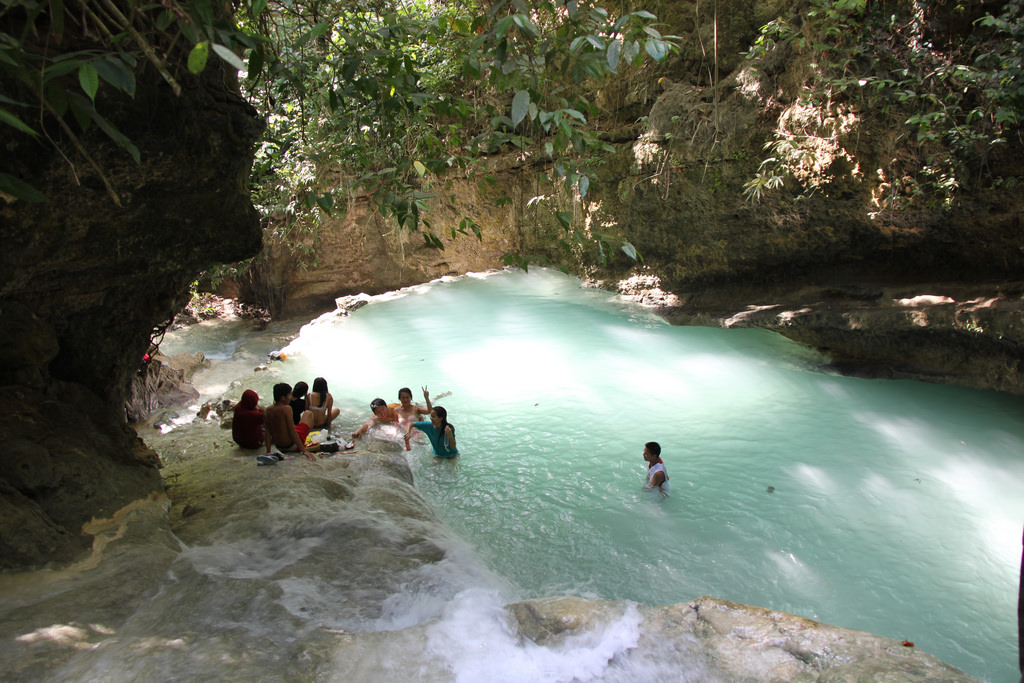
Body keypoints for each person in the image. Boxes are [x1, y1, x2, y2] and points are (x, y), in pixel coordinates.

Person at [265, 383, 317, 461]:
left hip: (278, 446)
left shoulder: (267, 410)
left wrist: (268, 452)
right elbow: (292, 431)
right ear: (283, 398)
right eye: (289, 395)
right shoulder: (287, 409)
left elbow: (267, 432)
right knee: (308, 413)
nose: (290, 397)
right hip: (291, 446)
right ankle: (303, 444)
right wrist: (304, 450)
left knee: (298, 425)